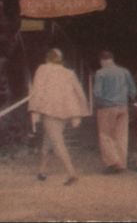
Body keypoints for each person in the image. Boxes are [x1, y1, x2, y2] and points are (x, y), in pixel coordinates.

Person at [28, 48, 90, 186]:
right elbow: (79, 92)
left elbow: (37, 90)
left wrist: (34, 111)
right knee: (48, 140)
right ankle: (42, 171)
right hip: (65, 111)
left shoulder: (42, 69)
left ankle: (71, 173)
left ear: (47, 58)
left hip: (50, 110)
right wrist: (78, 113)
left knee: (57, 142)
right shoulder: (69, 73)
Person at [93, 50, 137, 174]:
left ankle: (113, 162)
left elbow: (97, 92)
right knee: (121, 136)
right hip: (123, 107)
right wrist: (130, 100)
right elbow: (133, 90)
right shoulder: (124, 71)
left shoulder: (100, 73)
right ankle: (122, 164)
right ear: (112, 59)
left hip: (106, 107)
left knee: (105, 135)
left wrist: (99, 104)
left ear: (102, 61)